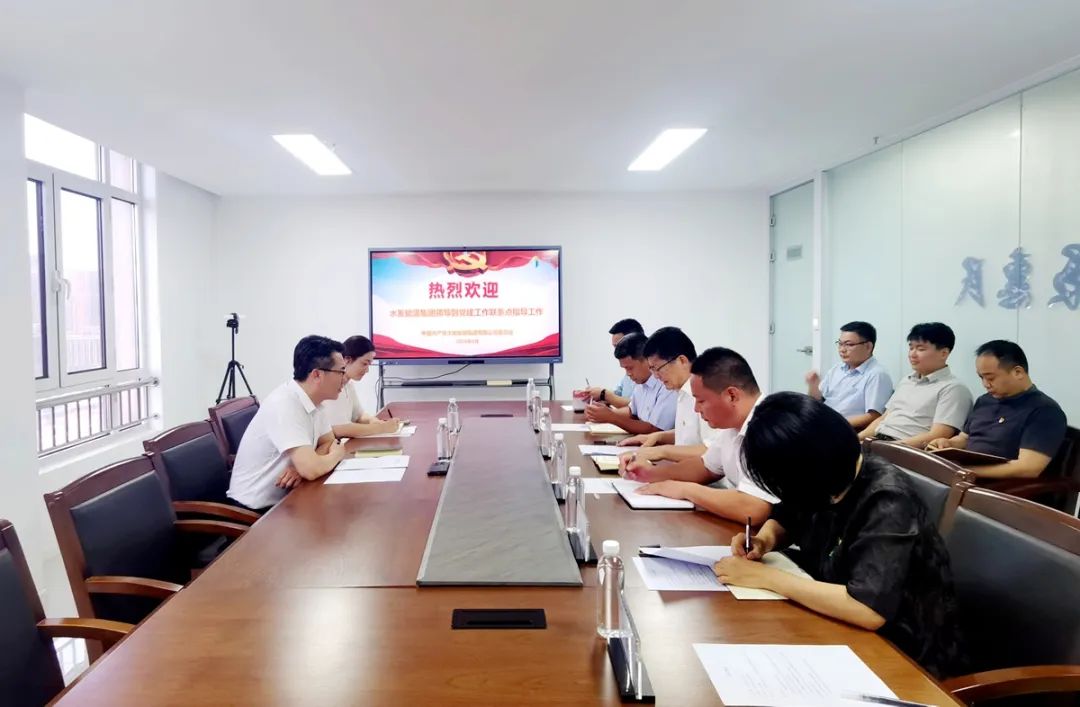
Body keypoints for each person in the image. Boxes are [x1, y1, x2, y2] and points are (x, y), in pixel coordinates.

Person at [714, 392, 965, 679]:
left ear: (809, 466)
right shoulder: (826, 477)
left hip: (905, 656)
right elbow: (789, 514)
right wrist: (765, 540)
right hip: (835, 625)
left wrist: (766, 578)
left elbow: (868, 609)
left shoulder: (887, 499)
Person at [625, 347, 776, 524]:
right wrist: (650, 473)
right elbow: (705, 467)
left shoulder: (770, 425)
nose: (696, 409)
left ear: (732, 396)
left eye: (701, 401)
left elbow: (753, 508)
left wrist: (685, 490)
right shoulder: (732, 426)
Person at [227, 335, 349, 512]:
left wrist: (304, 466)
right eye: (341, 371)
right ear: (317, 375)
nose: (345, 378)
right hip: (254, 511)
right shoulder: (285, 404)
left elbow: (328, 443)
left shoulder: (315, 401)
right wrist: (336, 454)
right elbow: (314, 468)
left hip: (287, 499)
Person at [926, 340, 1067, 479]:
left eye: (990, 378)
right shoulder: (984, 401)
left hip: (997, 484)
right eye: (981, 377)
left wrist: (965, 472)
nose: (985, 384)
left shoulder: (1045, 411)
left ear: (1018, 372)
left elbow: (1027, 468)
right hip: (964, 474)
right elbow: (964, 438)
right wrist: (948, 444)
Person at [616, 326, 720, 466]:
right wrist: (657, 437)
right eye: (652, 369)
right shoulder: (681, 392)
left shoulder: (707, 392)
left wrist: (662, 451)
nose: (656, 376)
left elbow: (712, 450)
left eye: (658, 368)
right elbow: (689, 436)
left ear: (682, 360)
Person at [859, 323, 972, 448]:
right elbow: (883, 419)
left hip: (905, 450)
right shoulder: (907, 380)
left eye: (920, 349)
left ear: (944, 353)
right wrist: (855, 439)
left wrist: (885, 448)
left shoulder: (953, 389)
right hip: (878, 442)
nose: (912, 354)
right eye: (911, 348)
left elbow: (938, 435)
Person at [805, 321, 893, 430]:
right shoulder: (837, 369)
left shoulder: (877, 375)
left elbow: (874, 416)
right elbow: (817, 401)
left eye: (849, 344)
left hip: (847, 429)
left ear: (868, 346)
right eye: (840, 344)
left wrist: (835, 424)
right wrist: (813, 386)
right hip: (824, 423)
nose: (842, 350)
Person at [584, 333, 676, 434]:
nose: (628, 374)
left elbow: (654, 429)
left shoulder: (666, 383)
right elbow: (632, 411)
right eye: (625, 368)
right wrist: (602, 413)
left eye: (630, 368)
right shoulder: (640, 383)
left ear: (647, 360)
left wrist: (612, 417)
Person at [321, 335, 400, 438]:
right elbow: (339, 429)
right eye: (364, 364)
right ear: (347, 360)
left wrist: (373, 421)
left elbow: (359, 416)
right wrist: (382, 428)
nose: (367, 370)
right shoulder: (332, 385)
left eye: (369, 364)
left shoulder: (348, 384)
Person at [574, 318, 644, 408]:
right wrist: (598, 394)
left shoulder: (651, 374)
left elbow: (636, 405)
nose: (616, 351)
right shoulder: (628, 372)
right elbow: (617, 393)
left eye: (618, 346)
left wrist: (604, 395)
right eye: (614, 347)